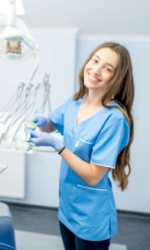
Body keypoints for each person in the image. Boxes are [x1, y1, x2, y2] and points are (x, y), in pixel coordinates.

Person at [25, 42, 134, 250]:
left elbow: (93, 176)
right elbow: (52, 124)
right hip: (67, 207)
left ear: (117, 78)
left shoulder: (114, 119)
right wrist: (41, 121)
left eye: (108, 68)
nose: (96, 70)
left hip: (92, 217)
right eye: (95, 60)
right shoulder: (76, 102)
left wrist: (58, 146)